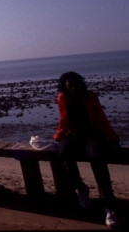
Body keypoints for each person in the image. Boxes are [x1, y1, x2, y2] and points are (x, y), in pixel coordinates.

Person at [54, 71, 121, 229]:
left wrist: (113, 138)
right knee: (63, 154)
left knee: (96, 157)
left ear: (81, 83)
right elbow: (64, 120)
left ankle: (109, 207)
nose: (74, 88)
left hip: (93, 134)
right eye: (70, 86)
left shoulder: (91, 96)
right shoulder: (63, 98)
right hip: (73, 135)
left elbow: (101, 117)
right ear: (65, 87)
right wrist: (58, 136)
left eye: (76, 84)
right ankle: (81, 188)